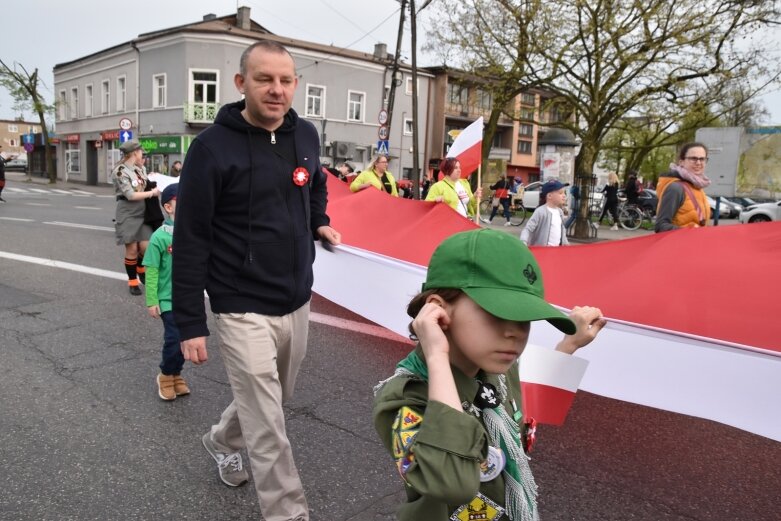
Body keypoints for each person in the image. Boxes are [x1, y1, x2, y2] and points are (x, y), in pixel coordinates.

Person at [172, 40, 341, 521]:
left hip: (295, 299)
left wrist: (319, 221)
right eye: (265, 79)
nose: (277, 89)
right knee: (268, 423)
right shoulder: (210, 149)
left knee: (276, 398)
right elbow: (190, 238)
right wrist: (189, 322)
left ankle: (221, 437)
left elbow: (315, 185)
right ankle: (289, 514)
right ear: (241, 83)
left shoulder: (306, 135)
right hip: (239, 304)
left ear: (296, 85)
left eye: (286, 80)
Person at [373, 229, 605, 521]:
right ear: (438, 309)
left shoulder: (497, 372)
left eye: (525, 319)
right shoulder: (406, 398)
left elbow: (526, 409)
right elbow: (451, 483)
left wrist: (569, 344)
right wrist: (436, 355)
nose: (514, 333)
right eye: (496, 314)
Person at [143, 183, 188, 401]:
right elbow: (151, 271)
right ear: (168, 208)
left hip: (188, 300)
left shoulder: (191, 233)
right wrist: (152, 300)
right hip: (167, 300)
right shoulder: (159, 237)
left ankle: (176, 374)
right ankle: (165, 374)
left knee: (186, 340)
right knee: (174, 339)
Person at [111, 139, 159, 295]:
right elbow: (130, 195)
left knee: (146, 247)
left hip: (143, 212)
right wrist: (152, 193)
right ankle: (132, 281)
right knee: (132, 248)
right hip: (128, 213)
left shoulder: (141, 169)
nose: (142, 155)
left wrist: (153, 181)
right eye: (141, 152)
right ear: (134, 153)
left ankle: (140, 268)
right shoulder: (120, 171)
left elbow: (143, 185)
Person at [655, 143, 712, 233]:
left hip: (694, 244)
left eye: (702, 159)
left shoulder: (697, 186)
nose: (698, 163)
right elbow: (661, 226)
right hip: (679, 244)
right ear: (681, 162)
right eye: (693, 158)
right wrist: (691, 232)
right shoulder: (676, 188)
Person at [520, 179, 570, 246]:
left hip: (557, 251)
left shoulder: (560, 212)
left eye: (564, 193)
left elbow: (562, 230)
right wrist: (523, 241)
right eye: (560, 193)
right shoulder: (540, 211)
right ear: (549, 196)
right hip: (542, 252)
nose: (564, 195)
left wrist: (566, 244)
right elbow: (528, 228)